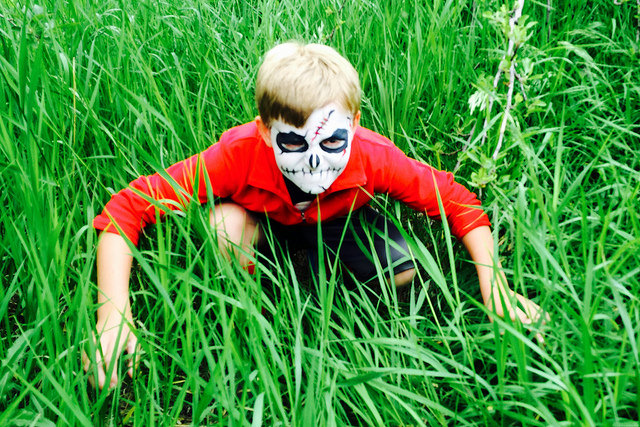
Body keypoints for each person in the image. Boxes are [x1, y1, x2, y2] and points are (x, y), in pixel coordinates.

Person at [83, 42, 546, 390]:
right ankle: (258, 311)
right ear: (265, 132)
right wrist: (112, 313)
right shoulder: (237, 155)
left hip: (340, 224)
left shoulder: (374, 156)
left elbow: (458, 200)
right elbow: (128, 208)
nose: (313, 163)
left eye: (331, 143)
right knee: (224, 226)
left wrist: (495, 285)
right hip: (266, 227)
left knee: (405, 272)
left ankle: (336, 301)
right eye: (293, 144)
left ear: (356, 125)